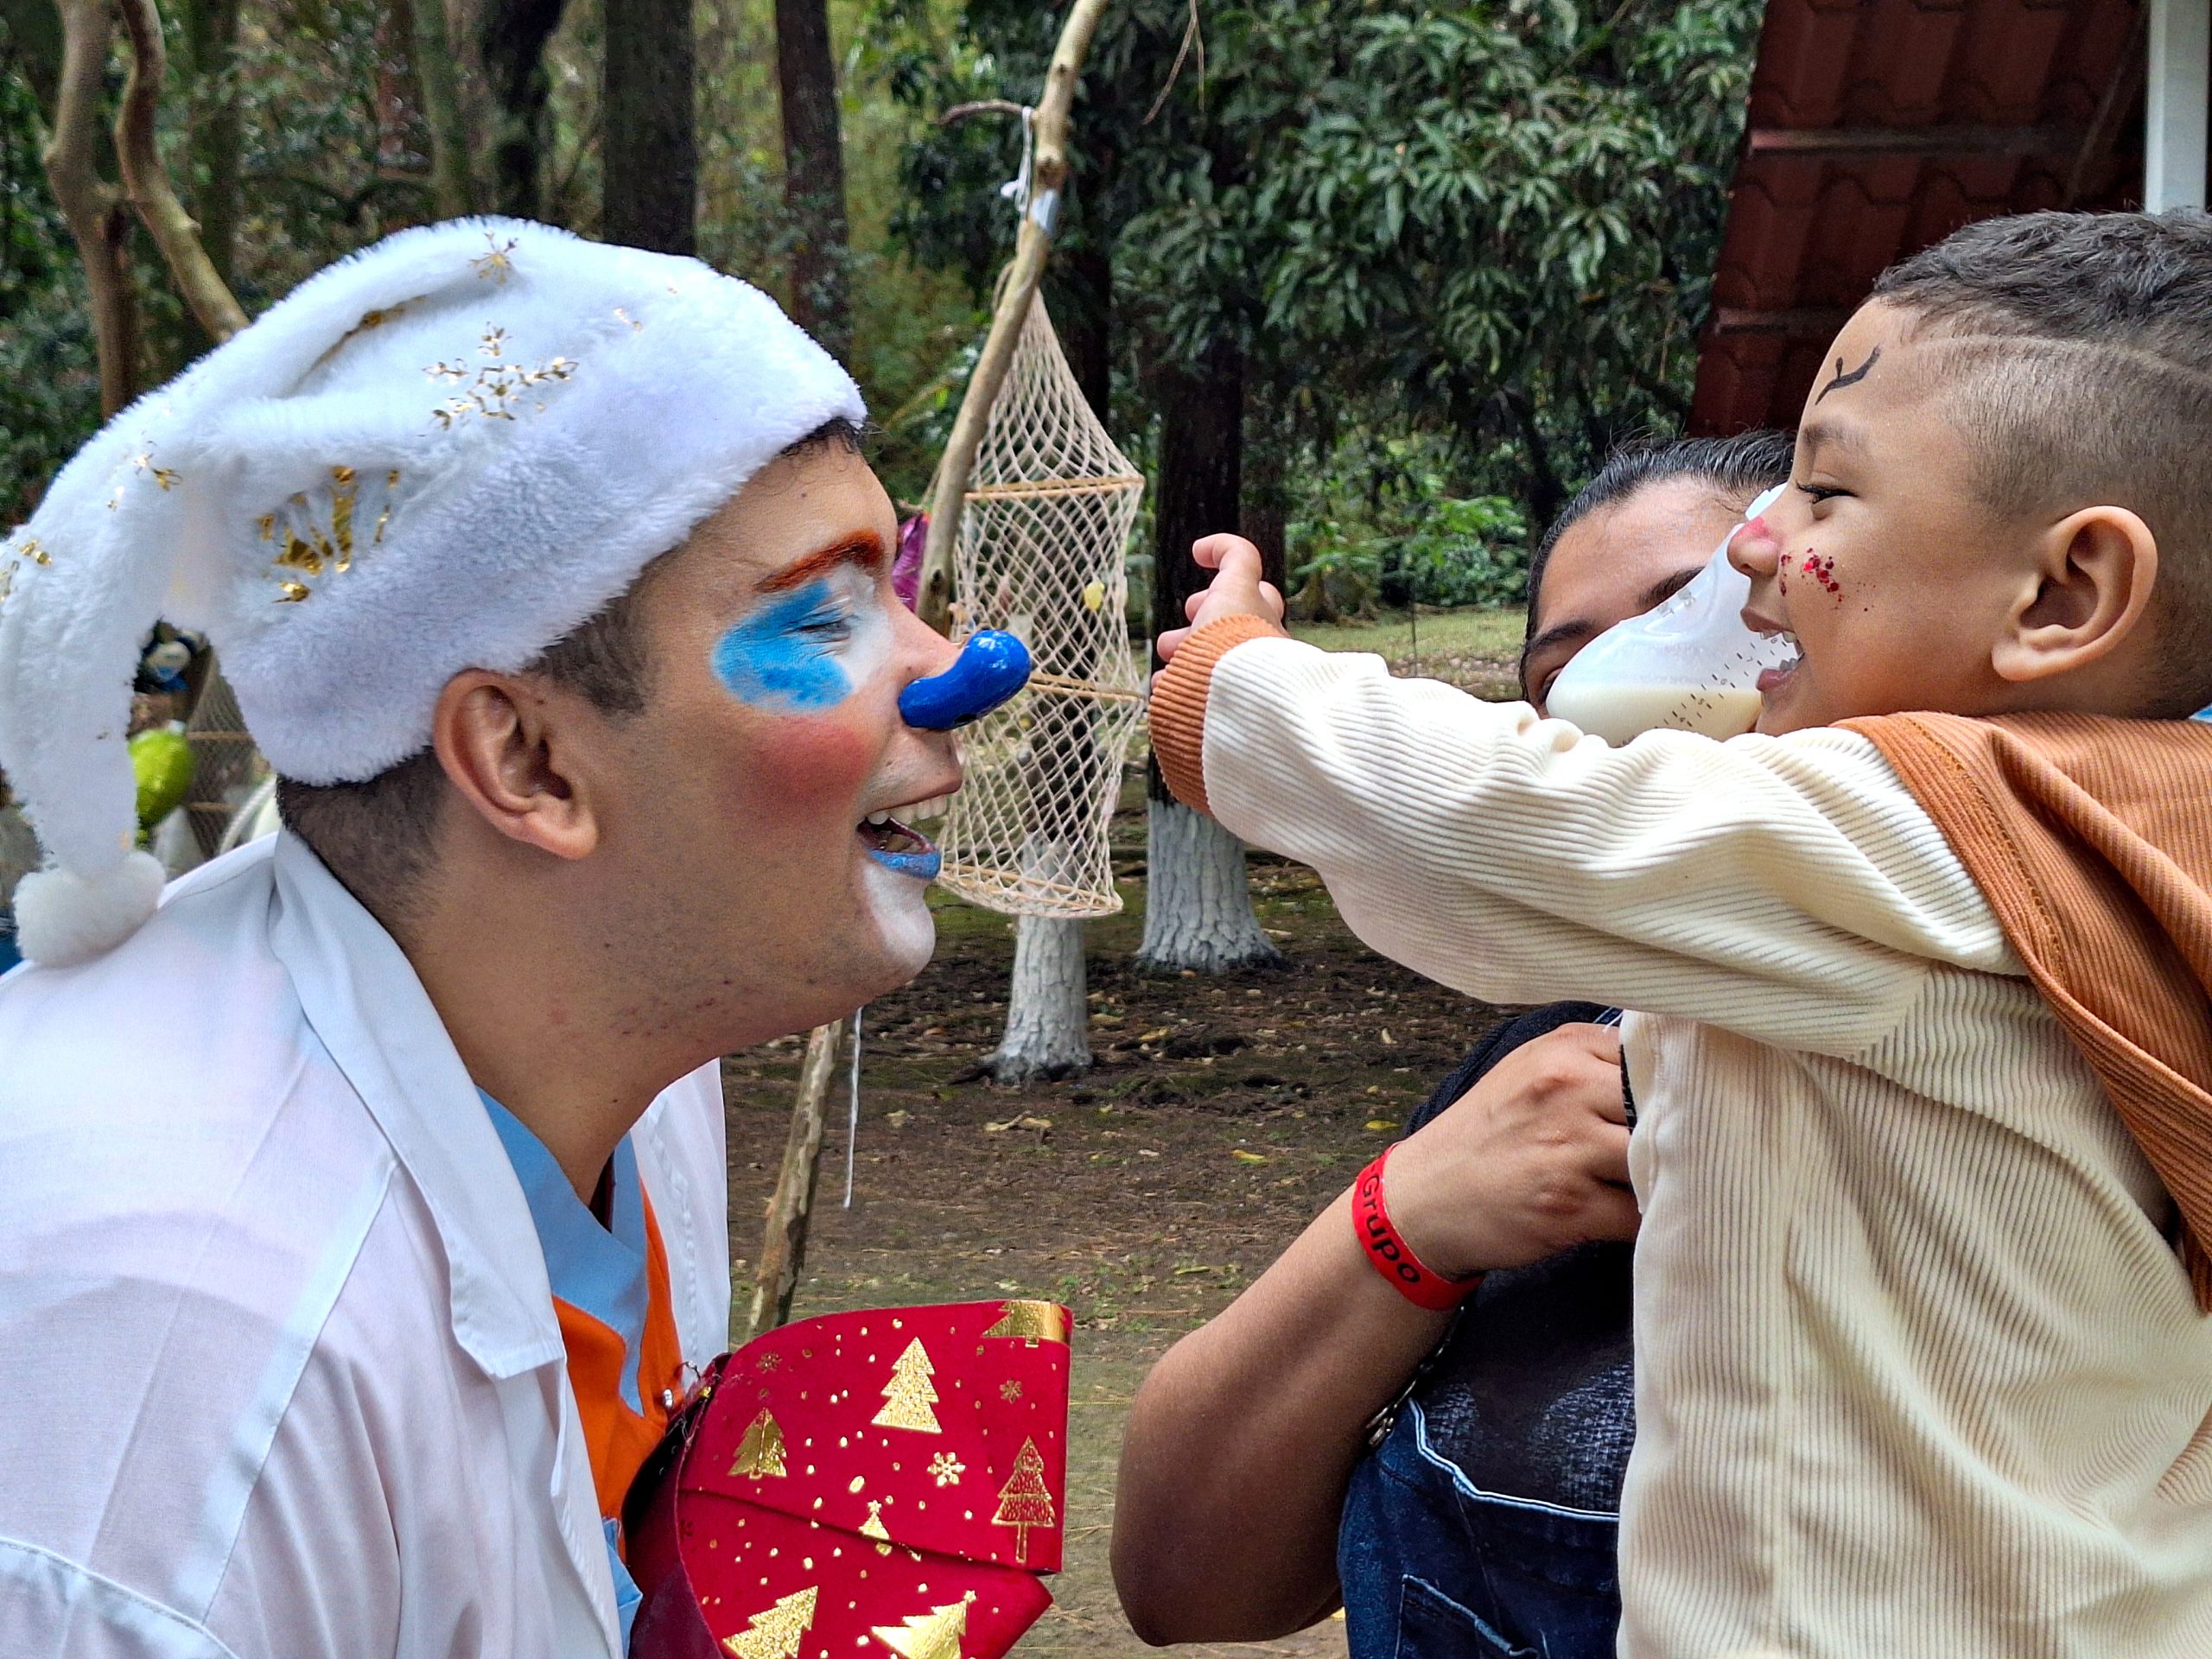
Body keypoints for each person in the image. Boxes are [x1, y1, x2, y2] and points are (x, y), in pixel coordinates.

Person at [1146, 210, 2212, 1657]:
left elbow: (1490, 820)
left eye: (1827, 493)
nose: (1763, 546)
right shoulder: (2134, 839)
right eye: (1562, 678)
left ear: (2063, 594)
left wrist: (1241, 686)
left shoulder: (1931, 832)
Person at [0, 219, 1008, 1656]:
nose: (948, 669)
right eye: (830, 610)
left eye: (894, 584)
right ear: (529, 762)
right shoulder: (191, 1381)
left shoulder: (635, 1069)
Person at [1113, 432, 1793, 1656]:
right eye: (1567, 675)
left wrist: (1246, 684)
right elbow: (1184, 1586)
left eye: (1700, 621)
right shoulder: (1541, 1080)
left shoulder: (2091, 1075)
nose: (1638, 701)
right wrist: (1406, 1220)